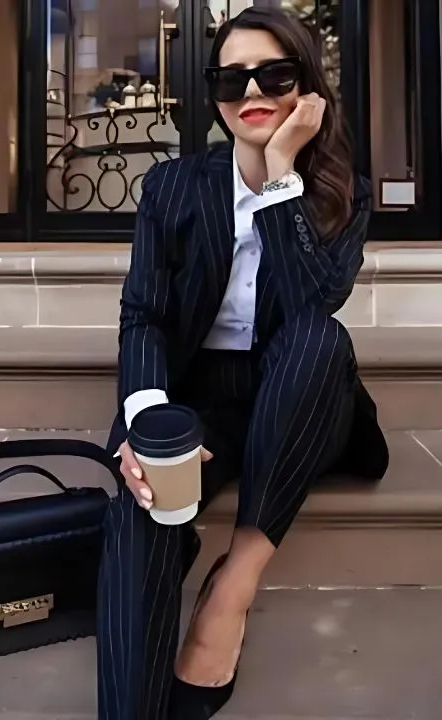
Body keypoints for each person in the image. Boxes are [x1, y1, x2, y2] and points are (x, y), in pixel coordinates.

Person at [96, 7, 389, 720]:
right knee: (140, 514)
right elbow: (146, 317)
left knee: (319, 338)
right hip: (200, 393)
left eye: (274, 73)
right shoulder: (173, 187)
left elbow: (309, 306)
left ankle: (232, 587)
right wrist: (145, 415)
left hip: (299, 390)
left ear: (307, 87)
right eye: (232, 77)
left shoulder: (341, 192)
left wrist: (282, 176)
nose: (251, 90)